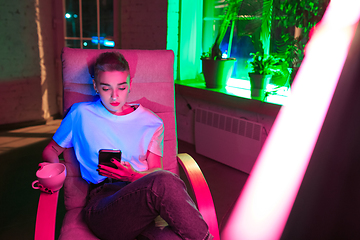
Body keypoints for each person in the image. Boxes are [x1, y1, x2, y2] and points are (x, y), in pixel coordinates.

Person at [41, 52, 213, 240]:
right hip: (104, 204)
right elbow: (51, 150)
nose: (115, 96)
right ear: (95, 86)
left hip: (145, 204)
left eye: (121, 88)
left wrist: (132, 176)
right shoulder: (80, 114)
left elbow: (156, 171)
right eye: (106, 88)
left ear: (130, 85)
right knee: (164, 180)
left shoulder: (151, 122)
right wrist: (55, 173)